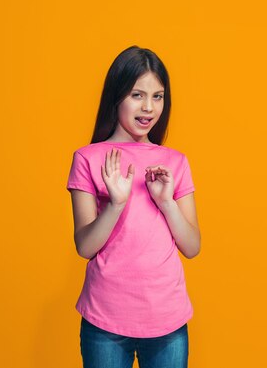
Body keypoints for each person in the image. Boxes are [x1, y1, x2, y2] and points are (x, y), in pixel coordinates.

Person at [66, 45, 201, 368]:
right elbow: (85, 246)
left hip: (167, 319)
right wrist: (116, 203)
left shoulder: (175, 162)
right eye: (137, 95)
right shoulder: (88, 158)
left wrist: (166, 202)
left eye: (158, 96)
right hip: (105, 319)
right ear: (117, 97)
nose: (149, 107)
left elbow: (192, 246)